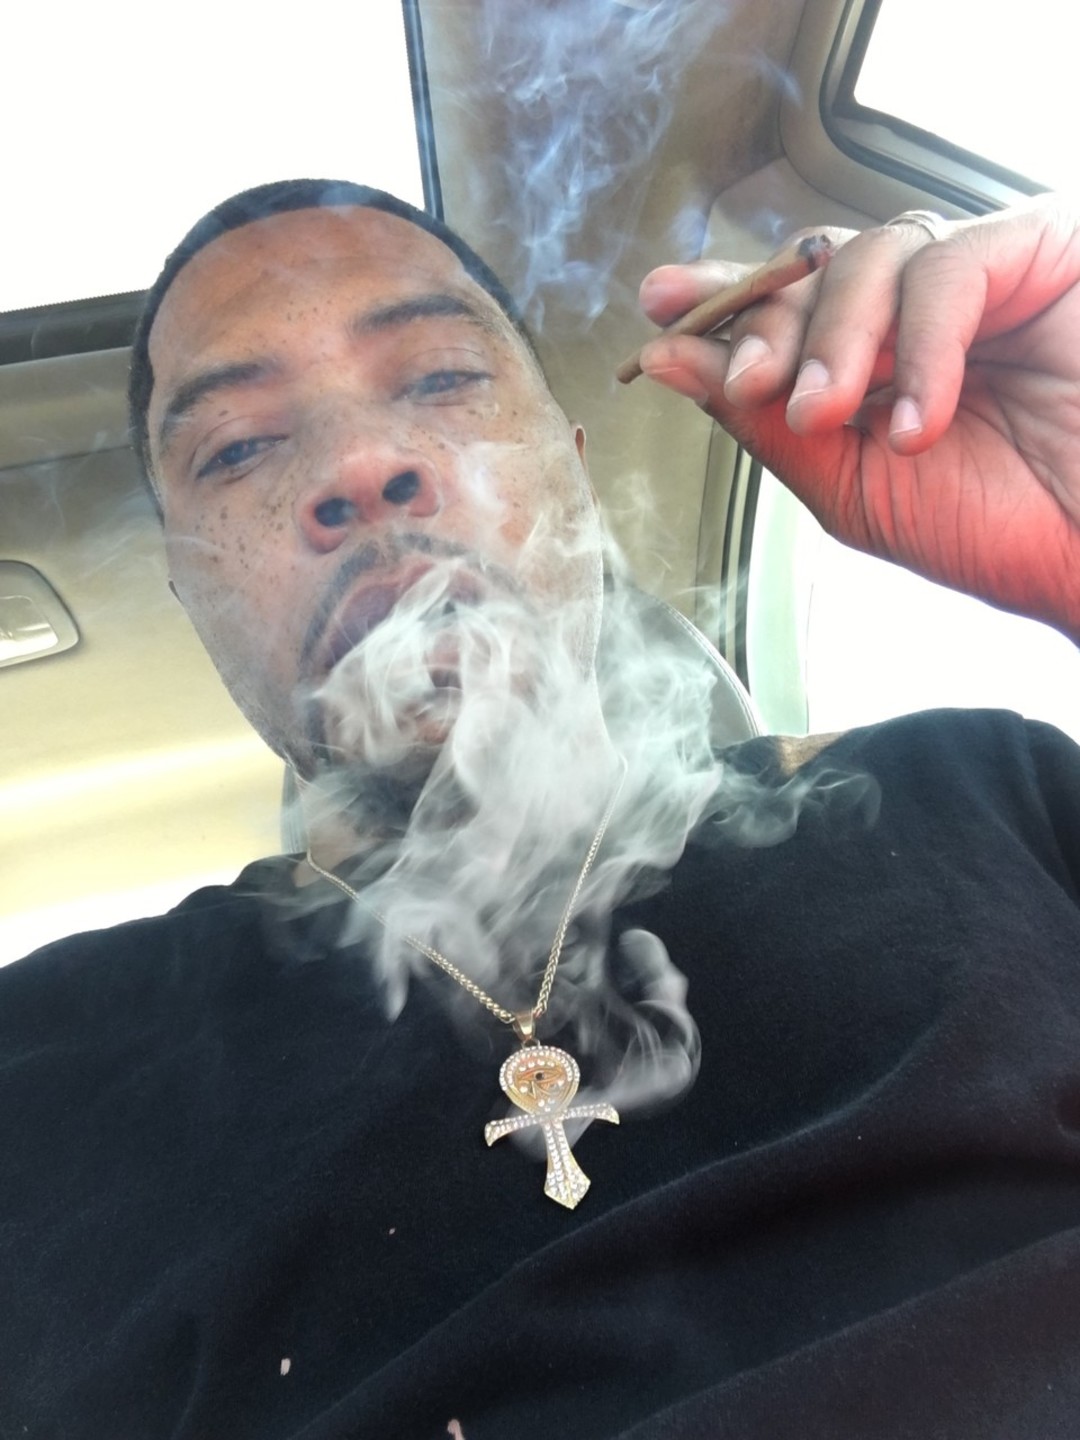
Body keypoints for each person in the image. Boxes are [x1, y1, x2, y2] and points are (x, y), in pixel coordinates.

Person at [2, 179, 1080, 1440]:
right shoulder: (43, 1070)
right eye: (237, 448)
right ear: (191, 593)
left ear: (575, 475)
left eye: (441, 380)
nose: (359, 467)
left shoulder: (982, 793)